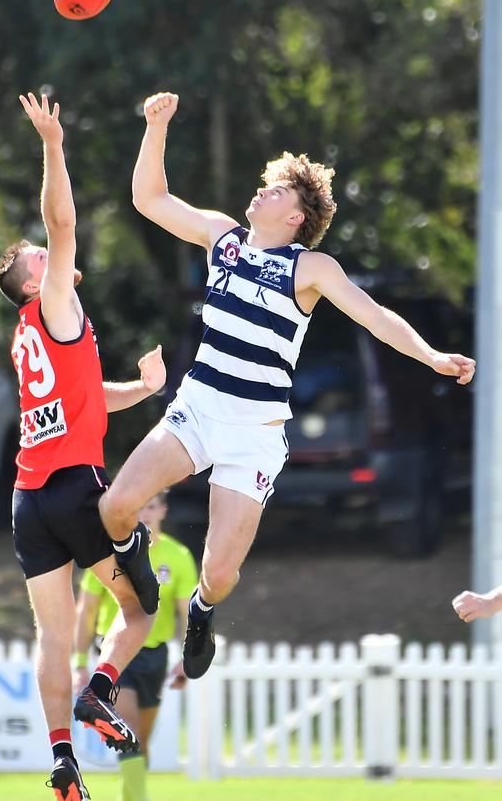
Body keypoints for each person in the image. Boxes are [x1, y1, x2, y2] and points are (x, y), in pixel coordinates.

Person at [99, 90, 477, 683]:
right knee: (116, 508)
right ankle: (143, 586)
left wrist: (430, 356)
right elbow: (149, 199)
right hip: (196, 410)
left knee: (219, 573)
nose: (261, 190)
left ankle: (201, 608)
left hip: (254, 434)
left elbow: (377, 317)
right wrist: (156, 126)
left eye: (275, 190)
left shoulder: (310, 269)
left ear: (294, 217)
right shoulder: (222, 239)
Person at [0, 92, 164, 801]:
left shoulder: (34, 334)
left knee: (51, 635)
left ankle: (62, 759)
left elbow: (93, 398)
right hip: (72, 488)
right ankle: (100, 691)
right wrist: (53, 142)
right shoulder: (50, 302)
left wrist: (144, 390)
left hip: (29, 497)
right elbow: (61, 221)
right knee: (142, 609)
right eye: (41, 256)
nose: (52, 248)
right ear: (35, 278)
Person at [74, 490, 197, 801]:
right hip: (115, 654)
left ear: (163, 511)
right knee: (127, 736)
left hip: (154, 655)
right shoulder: (107, 554)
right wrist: (78, 662)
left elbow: (188, 612)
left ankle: (132, 795)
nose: (144, 513)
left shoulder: (178, 556)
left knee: (141, 743)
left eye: (151, 506)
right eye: (138, 506)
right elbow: (86, 611)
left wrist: (187, 657)